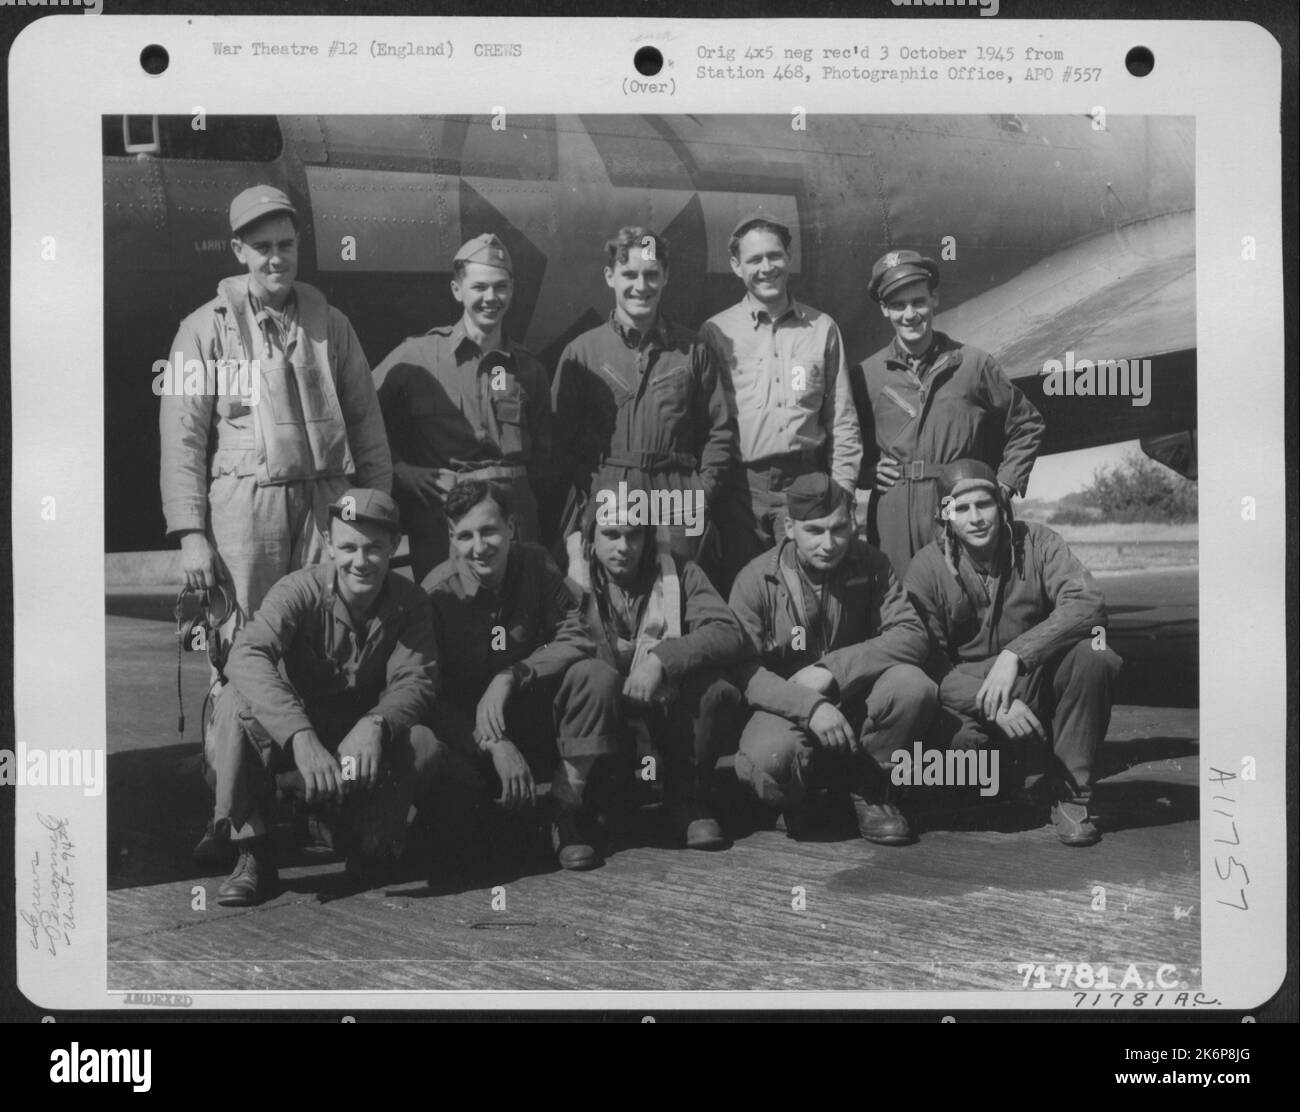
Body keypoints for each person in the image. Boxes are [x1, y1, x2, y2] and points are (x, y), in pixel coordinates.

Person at [160, 185, 392, 635]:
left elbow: (367, 426)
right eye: (262, 248)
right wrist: (191, 535)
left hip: (329, 505)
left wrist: (376, 509)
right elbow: (182, 437)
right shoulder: (202, 330)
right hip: (247, 514)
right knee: (244, 635)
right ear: (238, 251)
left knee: (330, 628)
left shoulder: (333, 326)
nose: (276, 259)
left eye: (285, 246)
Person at [202, 489, 445, 906]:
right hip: (300, 741)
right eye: (348, 547)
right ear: (329, 545)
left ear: (394, 546)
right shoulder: (298, 590)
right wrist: (300, 736)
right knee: (232, 704)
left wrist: (376, 723)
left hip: (359, 748)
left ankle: (369, 842)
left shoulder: (411, 603)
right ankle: (252, 851)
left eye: (373, 548)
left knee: (424, 742)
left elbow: (415, 682)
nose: (360, 560)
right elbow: (246, 654)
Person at [903, 459, 1123, 847]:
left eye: (983, 505)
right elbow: (931, 666)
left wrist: (1016, 655)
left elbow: (1088, 603)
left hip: (1030, 677)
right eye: (961, 508)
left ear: (1001, 505)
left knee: (1095, 654)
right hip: (969, 698)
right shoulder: (925, 568)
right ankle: (1017, 775)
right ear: (946, 516)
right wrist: (990, 703)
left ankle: (1072, 795)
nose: (975, 518)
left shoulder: (1039, 542)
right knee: (971, 782)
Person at [421, 480, 626, 871]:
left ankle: (563, 810)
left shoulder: (535, 563)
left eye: (489, 531)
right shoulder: (436, 594)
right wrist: (492, 742)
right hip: (469, 736)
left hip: (530, 717)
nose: (479, 548)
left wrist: (513, 674)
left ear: (512, 527)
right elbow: (429, 695)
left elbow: (575, 635)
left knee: (596, 675)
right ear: (451, 537)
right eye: (465, 536)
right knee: (464, 846)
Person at [728, 472, 937, 845]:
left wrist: (831, 670)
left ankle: (871, 791)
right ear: (790, 528)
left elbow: (911, 634)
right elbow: (743, 670)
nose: (829, 543)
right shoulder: (756, 579)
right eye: (814, 531)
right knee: (769, 760)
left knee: (913, 686)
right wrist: (808, 706)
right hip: (786, 708)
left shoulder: (873, 564)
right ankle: (800, 795)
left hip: (855, 698)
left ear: (852, 521)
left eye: (839, 529)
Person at [568, 494, 750, 849]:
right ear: (591, 539)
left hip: (664, 706)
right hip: (606, 712)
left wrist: (661, 661)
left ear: (648, 538)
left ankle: (688, 800)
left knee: (715, 689)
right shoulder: (572, 582)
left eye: (634, 535)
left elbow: (727, 631)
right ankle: (591, 803)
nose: (623, 547)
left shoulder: (680, 571)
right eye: (611, 534)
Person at [851, 250, 1044, 579]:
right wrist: (863, 472)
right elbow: (840, 442)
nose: (910, 314)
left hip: (957, 501)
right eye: (898, 305)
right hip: (893, 510)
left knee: (964, 602)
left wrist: (1004, 484)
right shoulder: (866, 375)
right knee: (899, 603)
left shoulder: (973, 364)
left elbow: (1026, 424)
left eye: (918, 302)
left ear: (934, 299)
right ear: (884, 309)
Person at [550, 226, 737, 567]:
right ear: (610, 276)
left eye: (651, 274)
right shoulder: (582, 352)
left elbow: (719, 430)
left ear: (665, 277)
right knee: (609, 598)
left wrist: (703, 492)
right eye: (629, 274)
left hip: (677, 491)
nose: (641, 286)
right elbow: (560, 440)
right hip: (609, 489)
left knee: (682, 589)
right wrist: (593, 489)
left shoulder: (693, 349)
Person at [372, 234, 553, 579]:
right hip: (447, 527)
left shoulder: (529, 369)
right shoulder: (419, 357)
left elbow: (546, 464)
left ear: (512, 289)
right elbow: (360, 417)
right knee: (451, 618)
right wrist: (400, 470)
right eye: (479, 287)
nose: (490, 298)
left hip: (516, 525)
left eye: (500, 287)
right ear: (458, 290)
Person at [701, 211, 862, 586]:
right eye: (754, 259)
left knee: (807, 591)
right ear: (736, 266)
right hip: (742, 490)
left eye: (774, 256)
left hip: (807, 481)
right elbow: (708, 422)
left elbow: (841, 417)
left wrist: (844, 492)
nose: (766, 267)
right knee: (748, 591)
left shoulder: (822, 328)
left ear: (789, 258)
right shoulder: (716, 331)